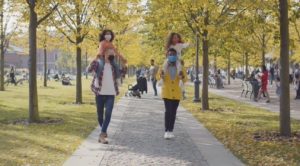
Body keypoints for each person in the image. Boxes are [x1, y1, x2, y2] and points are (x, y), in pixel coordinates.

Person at [86, 47, 127, 144]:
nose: (112, 56)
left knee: (108, 113)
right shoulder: (99, 64)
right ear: (105, 54)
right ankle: (104, 130)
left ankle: (102, 134)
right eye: (110, 54)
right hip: (99, 93)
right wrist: (95, 59)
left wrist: (124, 64)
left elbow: (122, 74)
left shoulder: (114, 66)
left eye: (113, 54)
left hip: (110, 94)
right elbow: (89, 70)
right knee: (100, 116)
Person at [156, 48, 188, 139]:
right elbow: (158, 76)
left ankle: (171, 130)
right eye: (170, 55)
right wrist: (160, 76)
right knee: (168, 111)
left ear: (176, 56)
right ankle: (167, 130)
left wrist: (182, 76)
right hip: (167, 92)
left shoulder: (180, 67)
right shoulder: (163, 67)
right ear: (167, 56)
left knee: (173, 112)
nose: (172, 56)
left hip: (177, 93)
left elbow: (185, 80)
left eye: (174, 55)